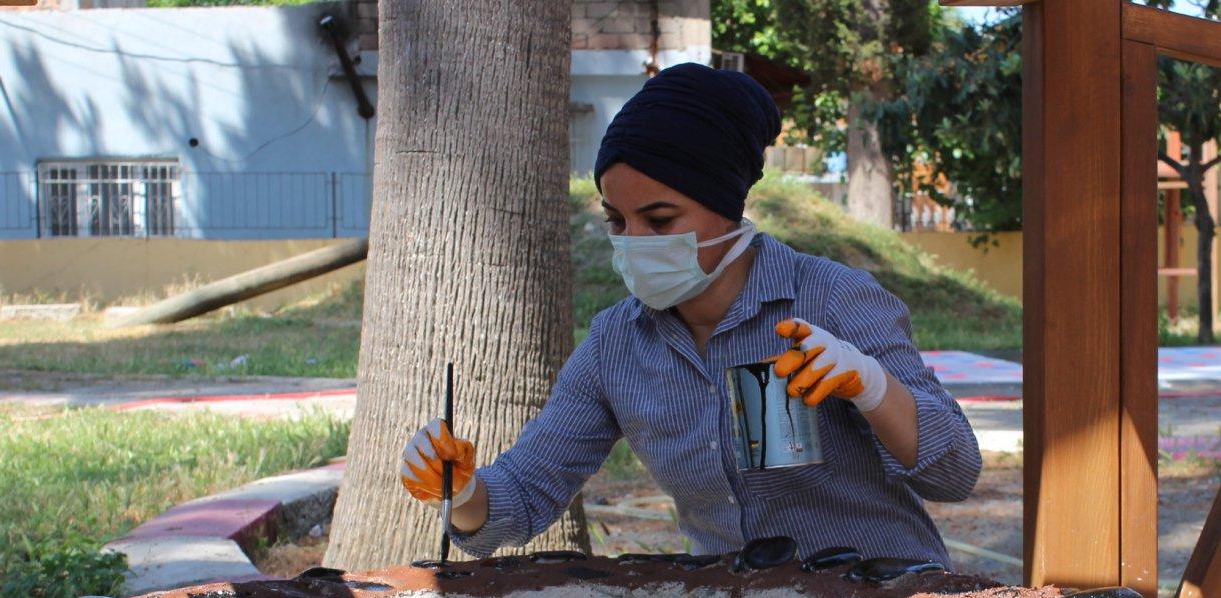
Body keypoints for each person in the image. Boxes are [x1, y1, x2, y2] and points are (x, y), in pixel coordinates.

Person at [399, 63, 980, 565]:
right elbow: (523, 496)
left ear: (726, 208)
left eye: (658, 220)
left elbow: (953, 472)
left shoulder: (830, 301)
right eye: (616, 221)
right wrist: (462, 488)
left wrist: (873, 388)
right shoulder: (616, 348)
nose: (632, 241)